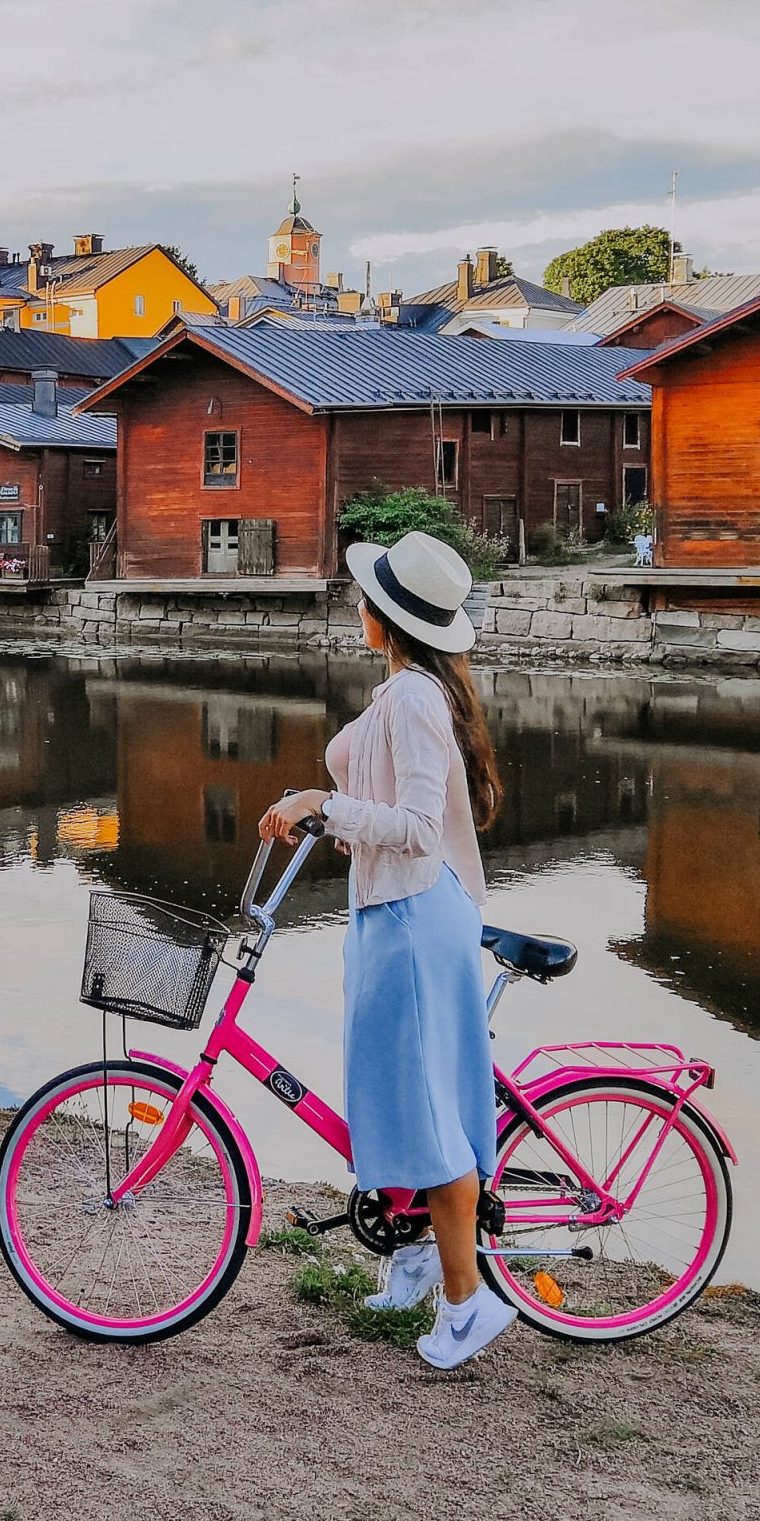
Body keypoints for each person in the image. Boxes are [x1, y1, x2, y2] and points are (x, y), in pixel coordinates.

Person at [260, 529, 513, 1370]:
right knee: (396, 1094)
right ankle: (411, 1252)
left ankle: (468, 1306)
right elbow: (399, 818)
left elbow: (411, 830)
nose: (357, 606)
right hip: (392, 911)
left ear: (386, 615)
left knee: (428, 1111)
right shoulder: (407, 688)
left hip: (411, 921)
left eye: (365, 597)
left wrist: (322, 809)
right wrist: (333, 813)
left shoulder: (411, 699)